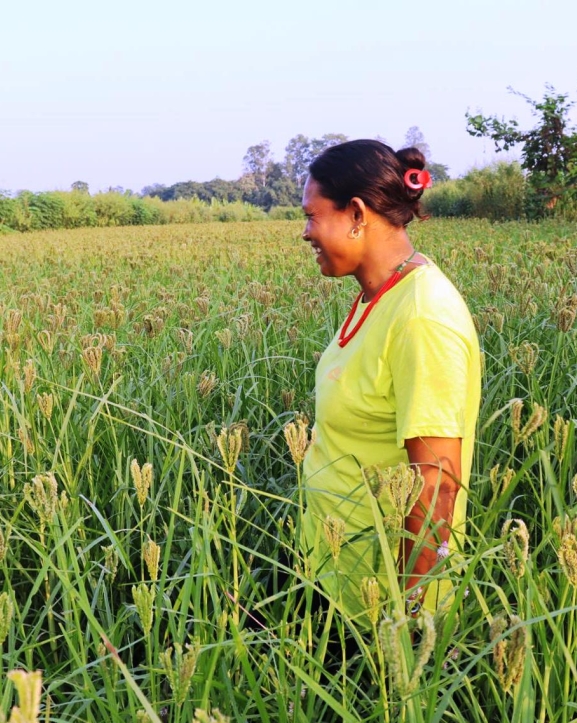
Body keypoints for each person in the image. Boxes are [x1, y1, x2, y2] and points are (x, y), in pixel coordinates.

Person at [300, 139, 481, 624]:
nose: (305, 233)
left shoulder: (422, 317)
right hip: (339, 576)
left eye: (312, 216)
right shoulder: (377, 296)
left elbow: (436, 482)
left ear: (356, 213)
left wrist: (406, 620)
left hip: (380, 604)